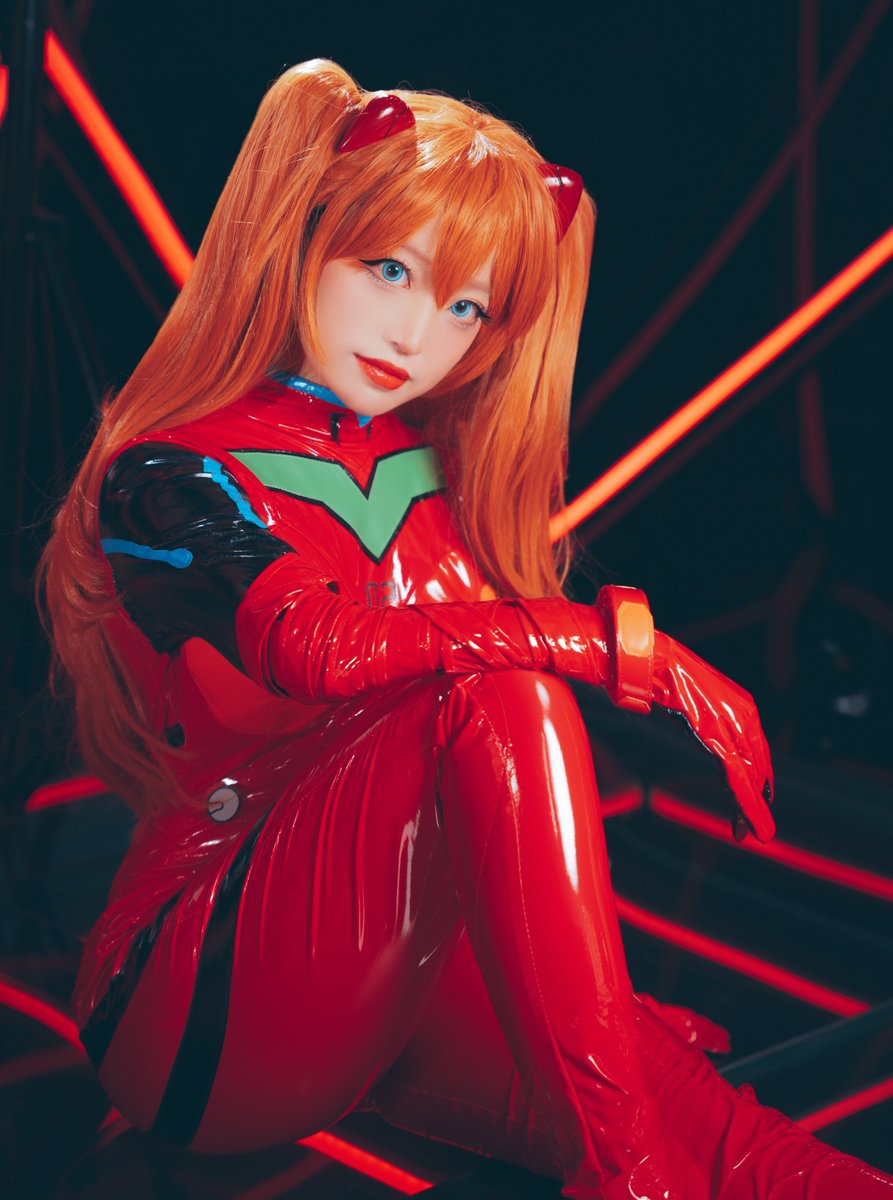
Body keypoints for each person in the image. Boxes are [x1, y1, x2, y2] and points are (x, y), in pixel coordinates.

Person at [38, 59, 892, 1199]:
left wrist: (590, 998)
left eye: (465, 307)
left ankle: (625, 1123)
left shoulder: (430, 471)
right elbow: (319, 650)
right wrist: (610, 642)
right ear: (304, 237)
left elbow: (472, 797)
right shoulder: (167, 476)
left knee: (737, 1143)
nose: (416, 333)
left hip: (396, 983)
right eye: (388, 269)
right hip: (197, 1005)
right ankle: (624, 1174)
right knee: (506, 694)